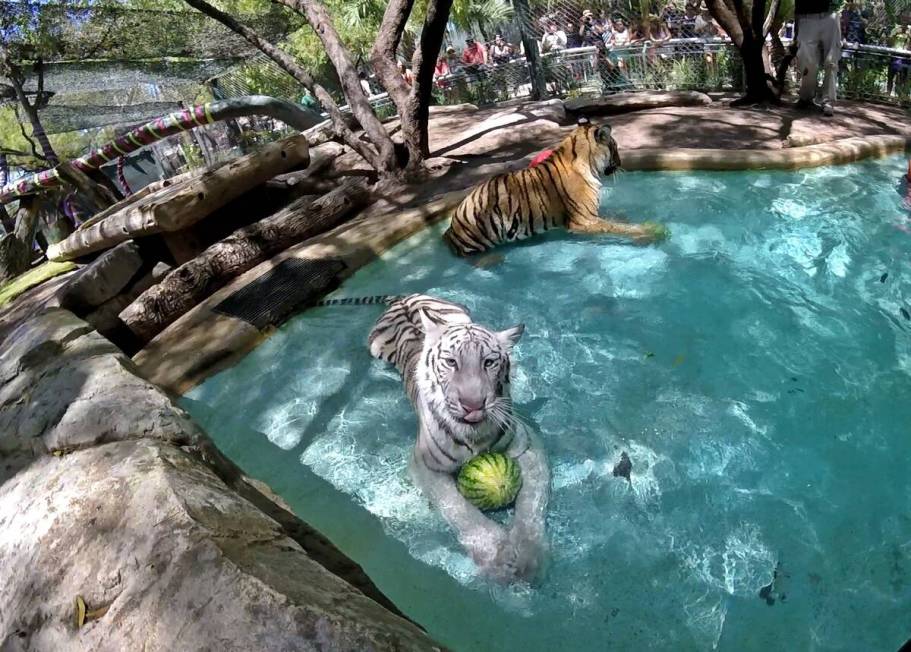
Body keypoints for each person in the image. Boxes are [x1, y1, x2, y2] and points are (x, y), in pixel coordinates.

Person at [794, 0, 842, 116]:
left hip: (830, 15)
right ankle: (806, 96)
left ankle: (827, 100)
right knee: (806, 60)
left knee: (831, 60)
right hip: (806, 17)